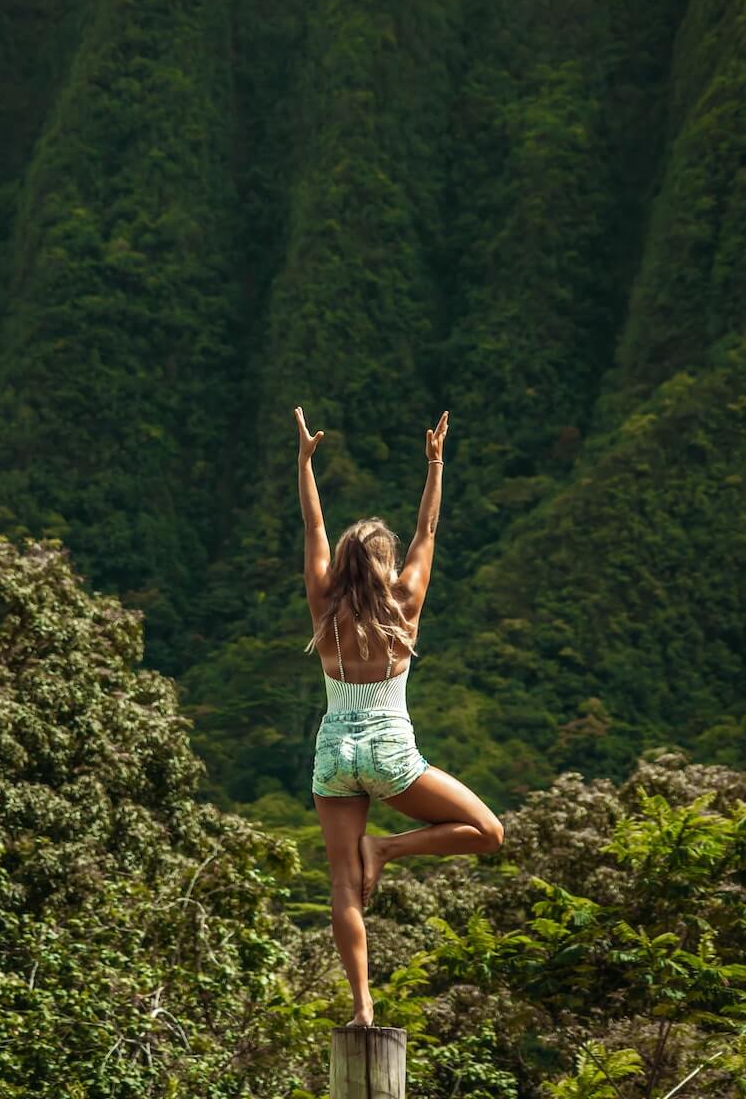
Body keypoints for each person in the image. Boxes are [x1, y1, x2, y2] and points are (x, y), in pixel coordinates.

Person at [294, 406, 505, 1028]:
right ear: (385, 565)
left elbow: (312, 526)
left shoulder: (324, 606)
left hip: (334, 754)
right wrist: (436, 463)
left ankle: (362, 1007)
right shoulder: (404, 605)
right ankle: (387, 849)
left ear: (343, 564)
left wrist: (305, 464)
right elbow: (429, 531)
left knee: (340, 884)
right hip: (389, 754)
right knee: (488, 833)